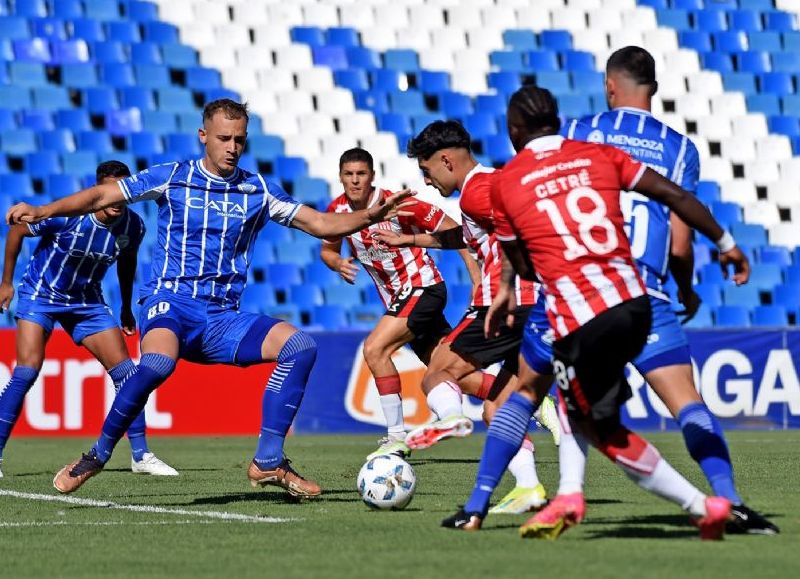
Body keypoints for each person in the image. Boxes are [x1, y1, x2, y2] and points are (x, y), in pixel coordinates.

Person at [5, 99, 412, 496]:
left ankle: (269, 460)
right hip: (170, 303)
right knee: (158, 364)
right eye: (224, 138)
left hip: (221, 317)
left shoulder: (259, 189)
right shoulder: (173, 177)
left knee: (300, 347)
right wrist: (43, 210)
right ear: (204, 136)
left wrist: (370, 216)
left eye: (240, 139)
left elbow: (321, 222)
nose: (233, 147)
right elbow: (99, 197)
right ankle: (96, 455)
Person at [445, 85, 749, 540]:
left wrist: (510, 283)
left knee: (571, 411)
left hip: (577, 314)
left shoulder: (508, 181)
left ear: (513, 130)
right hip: (636, 302)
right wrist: (726, 244)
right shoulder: (597, 155)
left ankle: (705, 506)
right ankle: (563, 494)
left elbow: (524, 263)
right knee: (569, 400)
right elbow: (675, 197)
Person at [563, 46, 777, 535]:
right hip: (649, 296)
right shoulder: (680, 150)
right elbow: (680, 243)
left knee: (566, 398)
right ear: (653, 90)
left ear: (609, 87)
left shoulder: (576, 133)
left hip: (589, 292)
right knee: (688, 404)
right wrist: (687, 291)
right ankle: (730, 499)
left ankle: (550, 495)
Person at [375, 121, 560, 514]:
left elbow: (523, 221)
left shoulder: (479, 188)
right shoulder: (484, 191)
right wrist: (410, 240)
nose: (426, 182)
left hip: (505, 301)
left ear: (446, 160)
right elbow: (467, 235)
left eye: (426, 171)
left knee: (438, 371)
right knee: (498, 407)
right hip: (538, 307)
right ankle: (529, 487)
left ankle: (454, 417)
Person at [0, 161, 177, 479]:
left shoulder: (133, 227)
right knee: (26, 372)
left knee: (128, 373)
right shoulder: (69, 216)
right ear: (98, 191)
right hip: (41, 296)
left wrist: (125, 307)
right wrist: (6, 282)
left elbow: (127, 262)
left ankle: (141, 455)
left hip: (87, 303)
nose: (115, 201)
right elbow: (17, 231)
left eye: (121, 193)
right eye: (108, 193)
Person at [321, 147, 486, 460]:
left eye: (361, 174)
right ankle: (526, 400)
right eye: (348, 174)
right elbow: (327, 249)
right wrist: (337, 263)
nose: (355, 181)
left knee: (374, 349)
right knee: (449, 372)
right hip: (401, 299)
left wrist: (476, 277)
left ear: (372, 177)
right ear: (340, 178)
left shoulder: (398, 204)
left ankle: (396, 437)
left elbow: (455, 230)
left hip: (422, 287)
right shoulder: (338, 210)